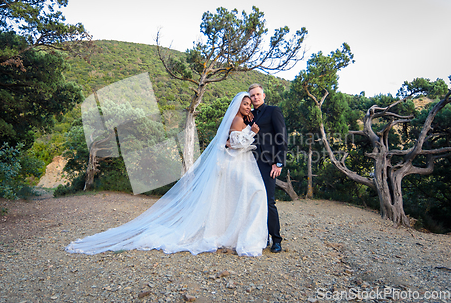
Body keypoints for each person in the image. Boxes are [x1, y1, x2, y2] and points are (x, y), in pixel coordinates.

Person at [66, 92, 268, 257]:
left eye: (250, 103)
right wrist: (253, 132)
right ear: (237, 105)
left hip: (239, 164)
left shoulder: (243, 119)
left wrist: (249, 129)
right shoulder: (236, 119)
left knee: (239, 198)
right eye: (245, 103)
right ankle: (241, 235)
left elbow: (232, 142)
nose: (249, 106)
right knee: (256, 191)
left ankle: (237, 233)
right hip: (233, 164)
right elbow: (234, 143)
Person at [248, 83, 288, 253]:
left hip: (268, 163)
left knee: (269, 201)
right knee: (253, 200)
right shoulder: (247, 115)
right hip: (249, 162)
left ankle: (276, 239)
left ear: (263, 95)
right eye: (252, 95)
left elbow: (282, 137)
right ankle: (260, 236)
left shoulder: (273, 111)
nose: (255, 97)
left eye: (258, 94)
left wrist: (278, 163)